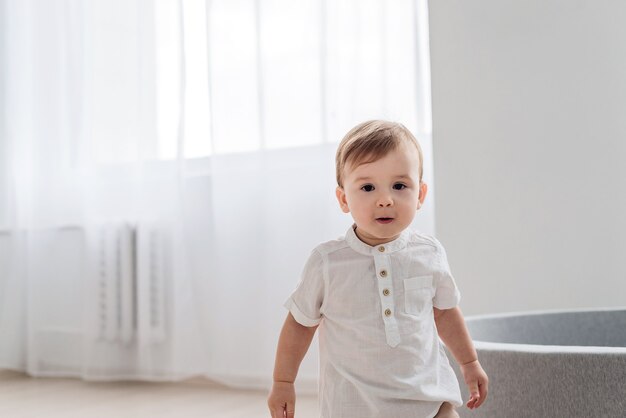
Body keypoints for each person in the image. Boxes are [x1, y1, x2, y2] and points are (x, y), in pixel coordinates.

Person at [268, 120, 488, 418]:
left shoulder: (429, 252)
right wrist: (283, 382)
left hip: (427, 396)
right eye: (368, 187)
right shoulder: (327, 262)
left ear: (420, 195)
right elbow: (299, 324)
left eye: (400, 186)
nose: (385, 199)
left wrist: (469, 362)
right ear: (344, 199)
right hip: (355, 404)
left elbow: (445, 311)